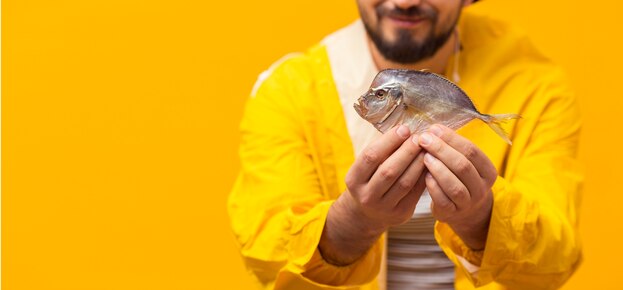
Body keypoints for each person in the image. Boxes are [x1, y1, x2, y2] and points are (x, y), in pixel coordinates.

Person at [228, 0, 583, 289]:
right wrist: (353, 221)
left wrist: (481, 219)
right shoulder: (287, 91)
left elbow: (556, 259)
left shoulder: (535, 86)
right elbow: (266, 257)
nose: (405, 2)